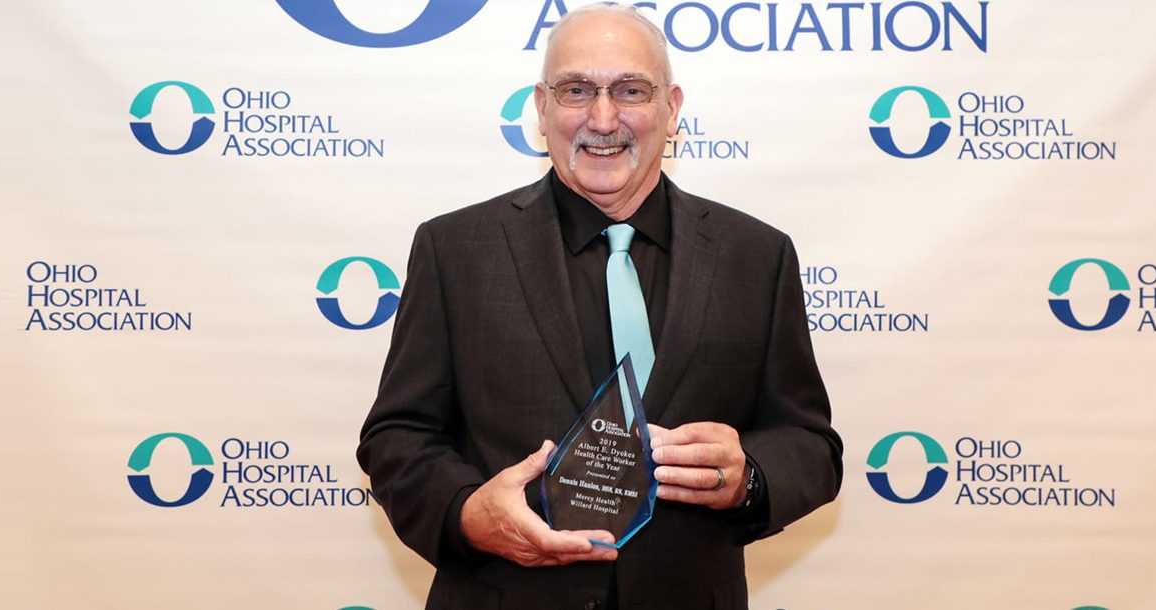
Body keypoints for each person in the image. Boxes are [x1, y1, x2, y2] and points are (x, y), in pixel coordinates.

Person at [357, 5, 842, 609]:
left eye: (631, 90)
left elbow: (811, 444)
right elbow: (398, 437)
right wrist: (467, 512)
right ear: (541, 108)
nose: (603, 117)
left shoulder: (757, 256)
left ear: (673, 108)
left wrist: (749, 477)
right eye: (576, 90)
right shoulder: (455, 249)